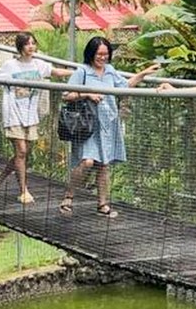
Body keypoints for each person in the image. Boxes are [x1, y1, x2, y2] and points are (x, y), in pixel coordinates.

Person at [60, 35, 160, 217]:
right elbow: (66, 95)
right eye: (99, 54)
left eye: (106, 54)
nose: (103, 58)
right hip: (88, 125)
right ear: (91, 54)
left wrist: (143, 73)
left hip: (108, 125)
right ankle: (69, 196)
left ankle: (103, 204)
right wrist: (87, 94)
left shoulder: (110, 71)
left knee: (104, 165)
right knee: (87, 161)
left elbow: (125, 85)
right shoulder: (82, 71)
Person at [0, 33, 72, 204]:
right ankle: (23, 191)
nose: (31, 47)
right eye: (27, 44)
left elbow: (55, 72)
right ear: (20, 47)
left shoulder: (39, 65)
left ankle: (0, 178)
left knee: (24, 153)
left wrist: (79, 71)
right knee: (21, 151)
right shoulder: (10, 66)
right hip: (13, 114)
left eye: (33, 43)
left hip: (30, 115)